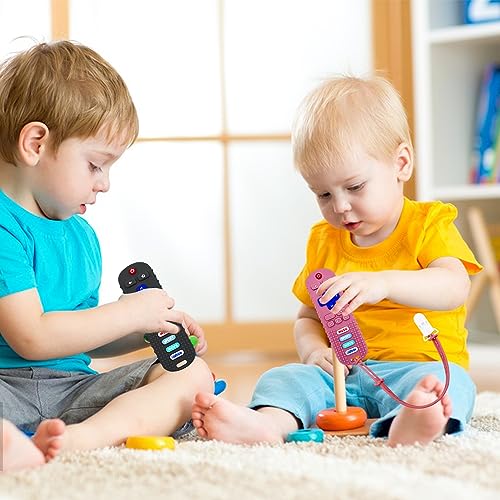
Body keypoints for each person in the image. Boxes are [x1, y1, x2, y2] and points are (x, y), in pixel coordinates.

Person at [192, 75, 482, 446]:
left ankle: (410, 421)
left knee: (451, 385)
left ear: (401, 163)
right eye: (323, 194)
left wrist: (385, 283)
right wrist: (314, 351)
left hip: (416, 368)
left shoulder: (428, 224)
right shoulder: (324, 240)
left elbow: (454, 287)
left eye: (355, 187)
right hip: (342, 375)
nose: (340, 206)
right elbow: (308, 318)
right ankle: (268, 424)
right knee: (282, 379)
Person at [0, 40, 213, 455]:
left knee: (193, 376)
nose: (105, 184)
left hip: (73, 391)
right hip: (7, 389)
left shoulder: (81, 235)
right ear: (36, 144)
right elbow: (33, 338)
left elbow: (78, 337)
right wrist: (127, 312)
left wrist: (144, 329)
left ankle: (80, 439)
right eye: (95, 165)